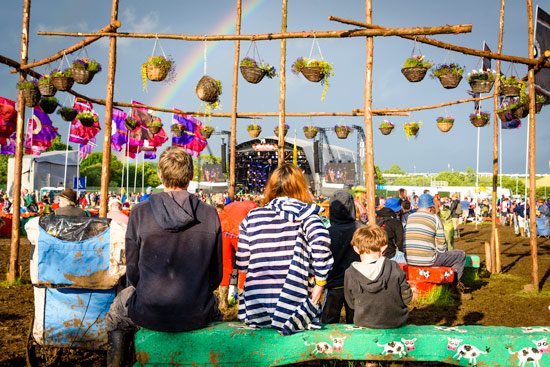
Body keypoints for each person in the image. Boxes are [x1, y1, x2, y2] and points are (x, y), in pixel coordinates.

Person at [105, 146, 223, 366]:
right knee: (218, 311)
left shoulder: (140, 212)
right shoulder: (209, 213)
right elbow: (216, 275)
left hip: (149, 309)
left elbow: (133, 272)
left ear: (160, 175)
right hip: (197, 309)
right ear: (190, 176)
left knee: (114, 315)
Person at [236, 163, 333, 335]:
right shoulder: (308, 216)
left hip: (257, 306)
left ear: (271, 188)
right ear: (300, 187)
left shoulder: (252, 217)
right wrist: (320, 284)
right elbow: (321, 244)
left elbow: (242, 264)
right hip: (294, 308)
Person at [344, 224, 412, 329]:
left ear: (356, 249)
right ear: (384, 247)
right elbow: (407, 297)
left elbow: (351, 303)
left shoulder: (350, 273)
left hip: (364, 323)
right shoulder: (394, 267)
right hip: (395, 323)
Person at [404, 193, 466, 292]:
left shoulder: (409, 218)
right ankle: (456, 286)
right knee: (460, 255)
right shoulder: (435, 218)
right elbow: (441, 245)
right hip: (428, 260)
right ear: (430, 207)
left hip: (409, 259)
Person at [322, 190, 361, 324]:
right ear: (352, 207)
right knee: (356, 323)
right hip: (357, 285)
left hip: (334, 285)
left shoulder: (327, 233)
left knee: (328, 324)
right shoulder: (361, 230)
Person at [375, 197, 406, 263]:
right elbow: (400, 243)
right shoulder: (395, 222)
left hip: (373, 254)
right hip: (389, 255)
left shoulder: (374, 218)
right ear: (396, 210)